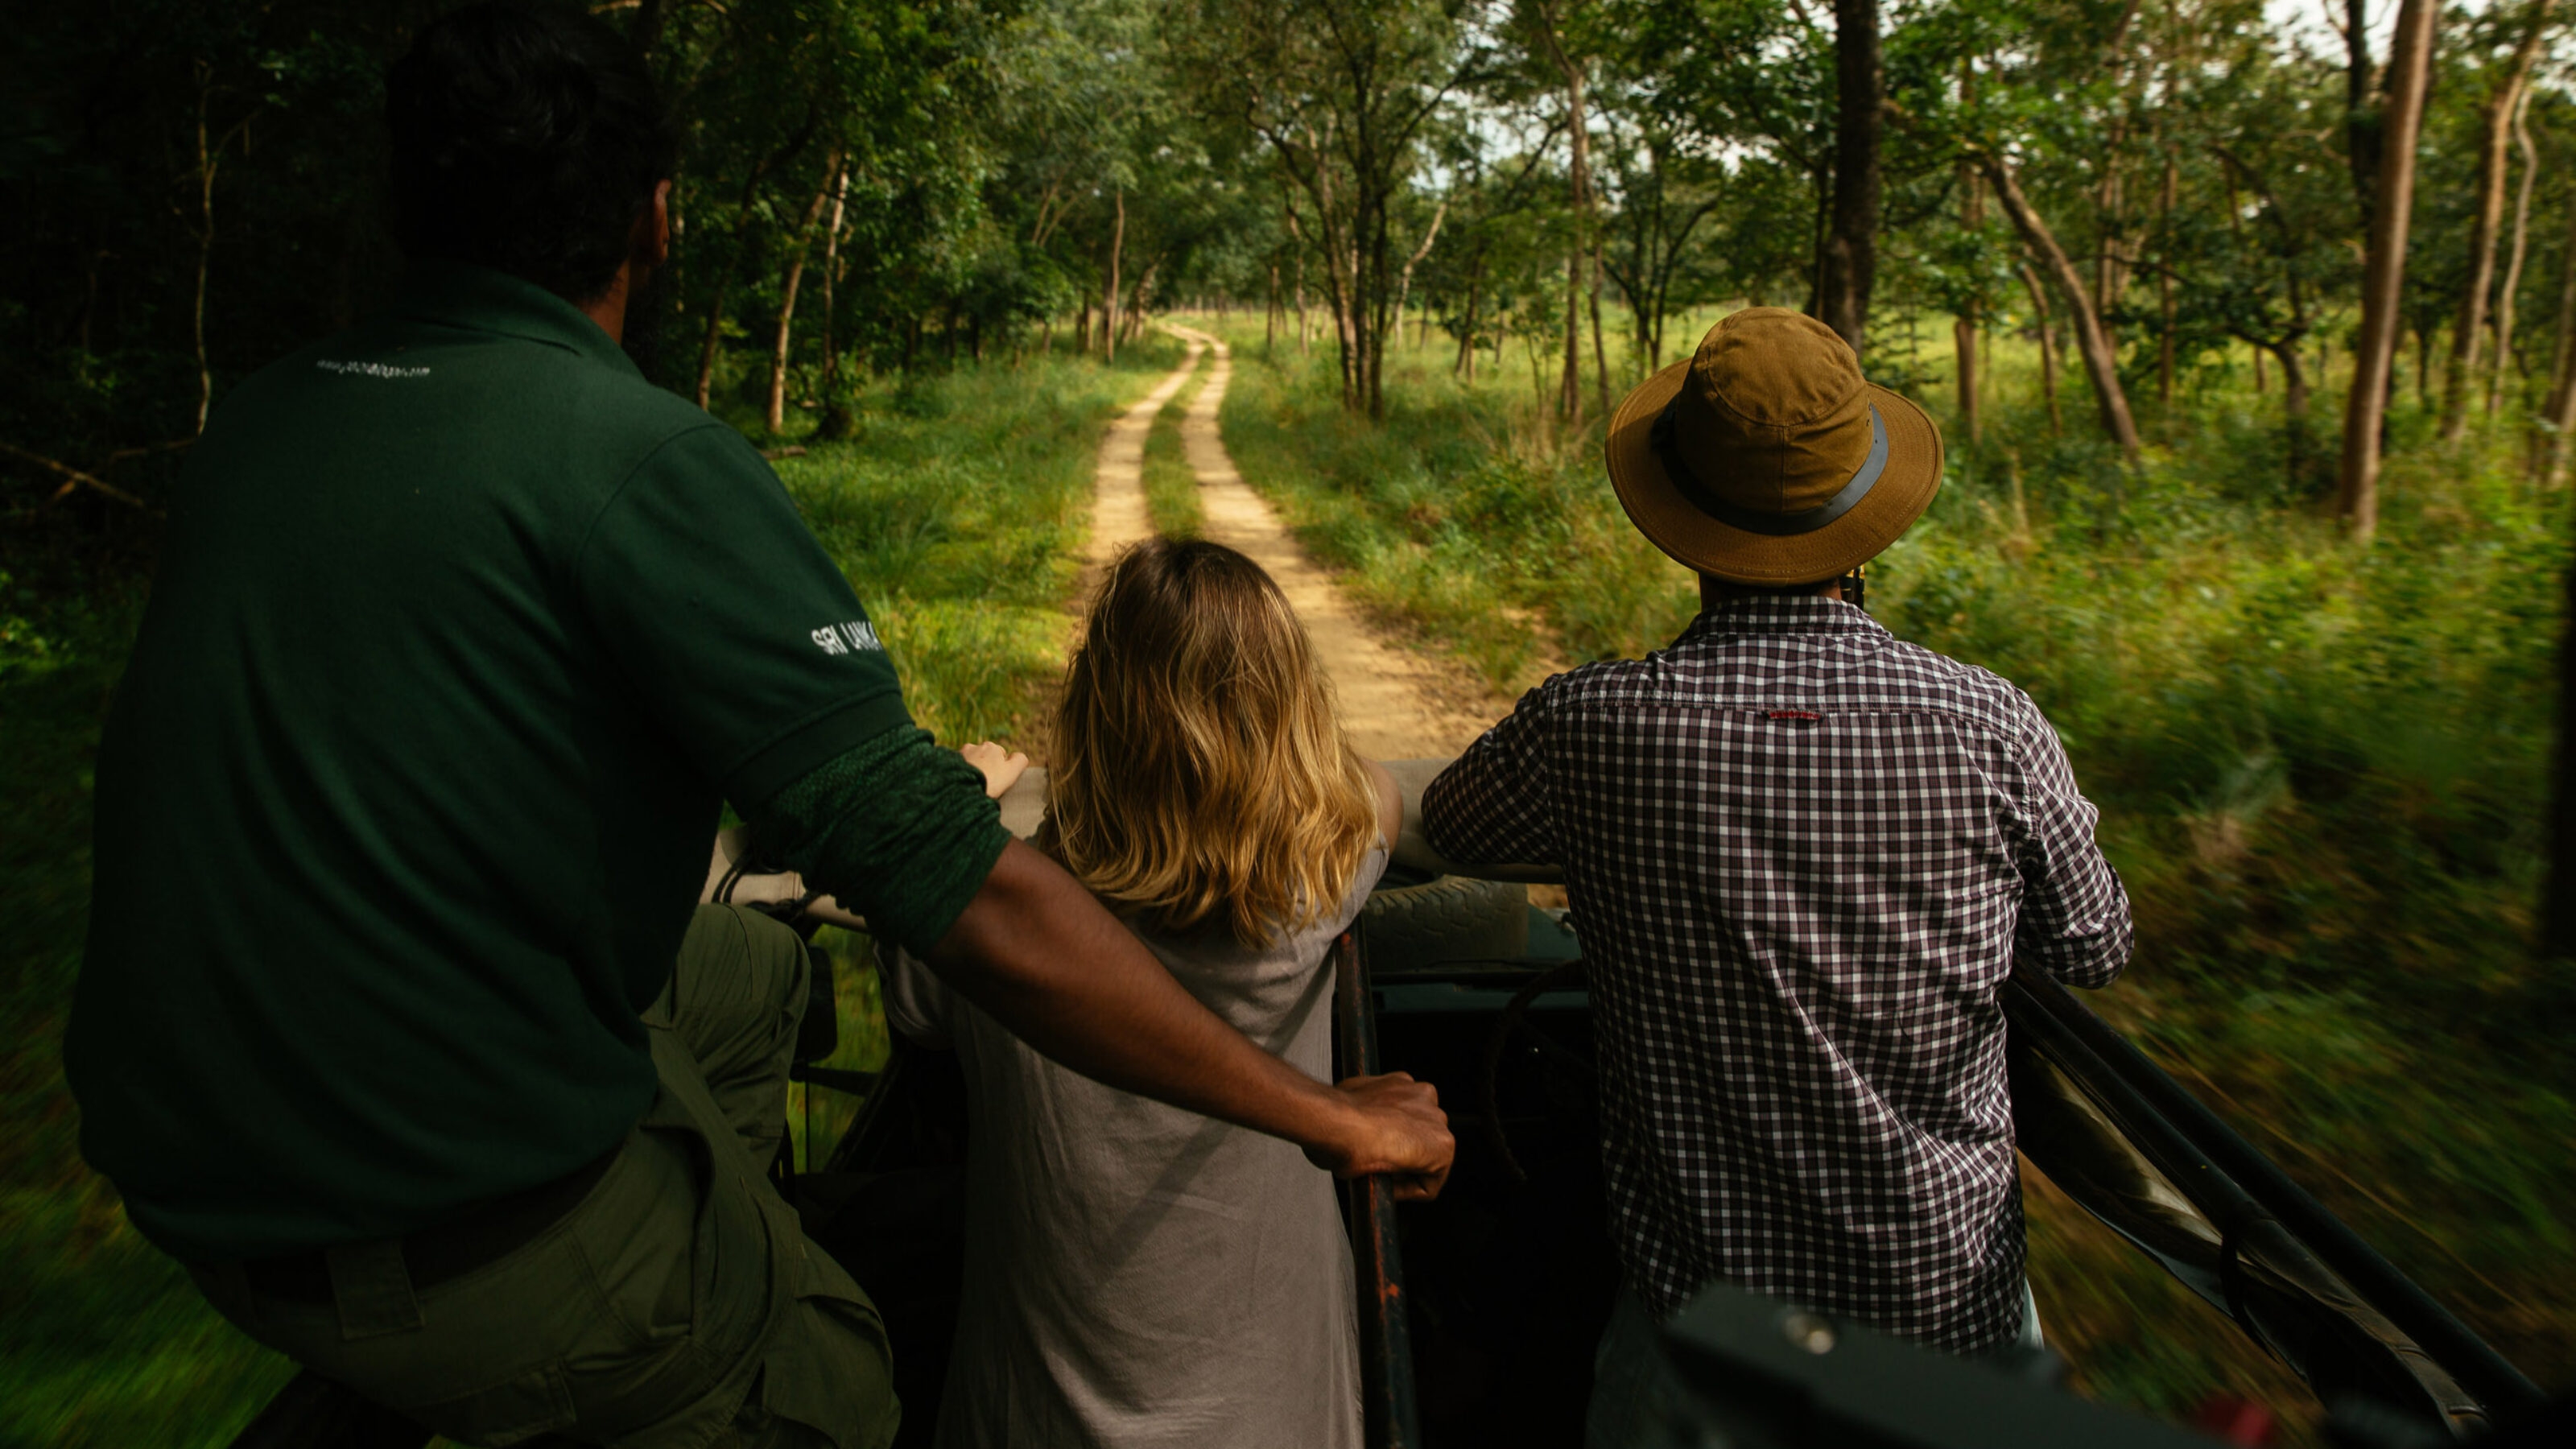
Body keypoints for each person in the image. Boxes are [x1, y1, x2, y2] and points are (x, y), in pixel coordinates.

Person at [62, 6, 1447, 1447]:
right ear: (656, 221)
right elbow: (969, 909)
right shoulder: (642, 459)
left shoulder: (264, 419)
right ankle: (651, 1330)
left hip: (181, 1160)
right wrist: (1333, 1118)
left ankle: (678, 1241)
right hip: (440, 1212)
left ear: (403, 208)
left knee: (745, 980)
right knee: (836, 1382)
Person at [1418, 308, 2133, 1443]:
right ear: (1865, 519)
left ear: (1683, 521)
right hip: (1950, 1322)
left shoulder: (1595, 728)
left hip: (1704, 1337)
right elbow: (2095, 945)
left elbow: (1452, 826)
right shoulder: (1991, 722)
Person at [880, 538, 1395, 1449]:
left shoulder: (991, 927)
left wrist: (965, 799)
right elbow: (1376, 794)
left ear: (1093, 718)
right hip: (1276, 1416)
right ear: (1290, 716)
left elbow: (916, 1005)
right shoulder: (1323, 882)